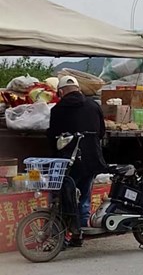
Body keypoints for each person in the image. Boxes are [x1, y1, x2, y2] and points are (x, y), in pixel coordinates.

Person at [47, 76, 107, 247]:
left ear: (61, 92)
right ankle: (79, 234)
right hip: (91, 159)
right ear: (78, 89)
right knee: (84, 196)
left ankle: (61, 237)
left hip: (68, 162)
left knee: (63, 197)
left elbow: (53, 137)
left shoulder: (57, 110)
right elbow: (102, 132)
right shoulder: (94, 106)